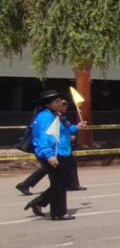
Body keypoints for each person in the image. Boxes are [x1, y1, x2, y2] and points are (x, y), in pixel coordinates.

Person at [23, 91, 86, 220]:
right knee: (59, 183)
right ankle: (58, 213)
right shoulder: (45, 117)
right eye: (57, 101)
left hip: (63, 151)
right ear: (48, 104)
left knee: (64, 182)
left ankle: (39, 202)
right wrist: (50, 155)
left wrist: (77, 127)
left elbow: (65, 130)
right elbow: (44, 138)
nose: (61, 103)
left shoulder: (56, 114)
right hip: (53, 154)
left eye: (60, 101)